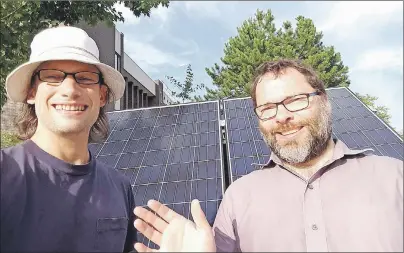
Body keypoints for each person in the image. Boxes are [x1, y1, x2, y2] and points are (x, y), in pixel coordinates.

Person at [133, 59, 403, 252]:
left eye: (296, 100)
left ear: (324, 101)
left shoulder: (394, 178)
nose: (282, 116)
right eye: (268, 108)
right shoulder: (239, 197)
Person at [1, 26, 137, 252]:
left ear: (102, 96)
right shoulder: (5, 174)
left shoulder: (119, 188)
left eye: (85, 78)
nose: (70, 90)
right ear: (31, 92)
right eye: (53, 77)